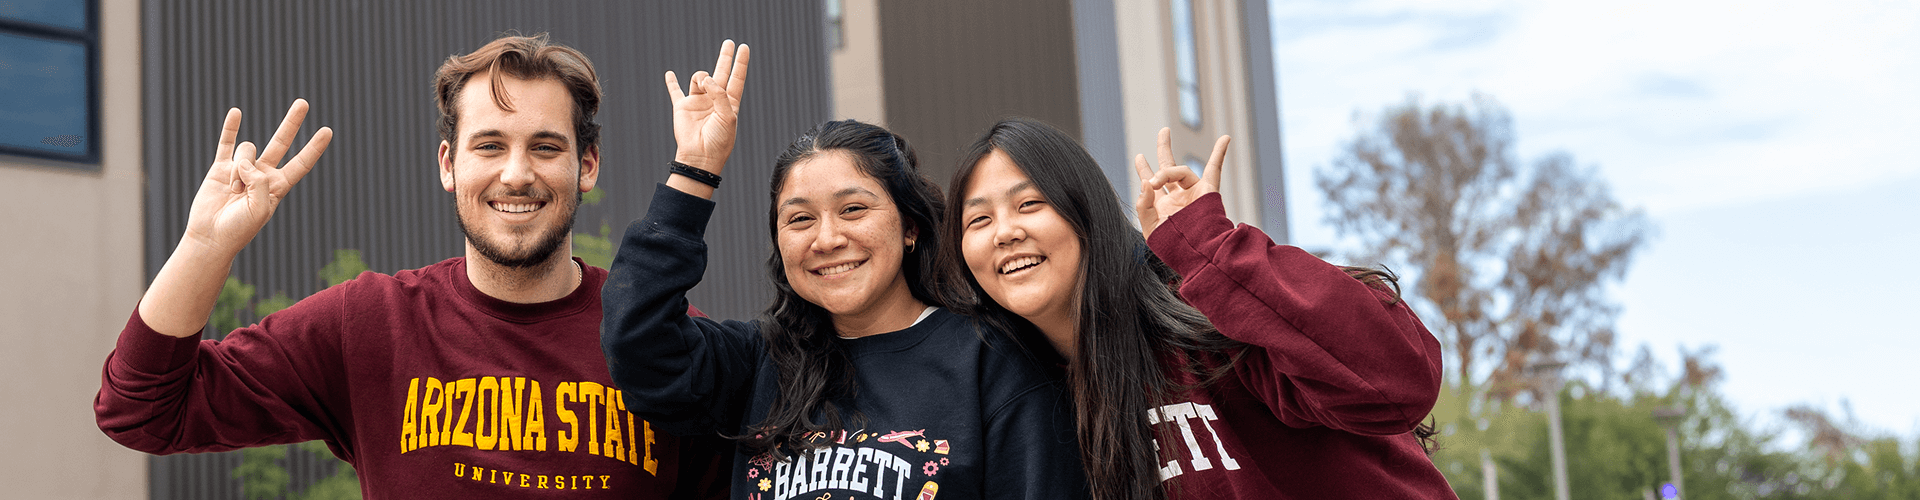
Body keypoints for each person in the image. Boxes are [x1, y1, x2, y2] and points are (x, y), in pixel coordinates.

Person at [94, 34, 730, 499]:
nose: (516, 173)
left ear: (585, 166)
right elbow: (142, 412)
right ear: (449, 165)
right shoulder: (370, 325)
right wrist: (205, 248)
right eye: (489, 145)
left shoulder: (661, 342)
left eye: (545, 146)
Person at [599, 56, 1090, 497]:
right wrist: (695, 169)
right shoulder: (757, 362)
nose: (827, 238)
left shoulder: (992, 360)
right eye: (799, 219)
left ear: (910, 228)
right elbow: (637, 339)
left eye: (853, 210)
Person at [946, 118, 1455, 499]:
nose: (1005, 232)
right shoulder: (1024, 394)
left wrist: (1211, 247)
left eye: (1029, 204)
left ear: (1090, 216)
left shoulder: (1209, 319)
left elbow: (1397, 382)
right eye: (978, 220)